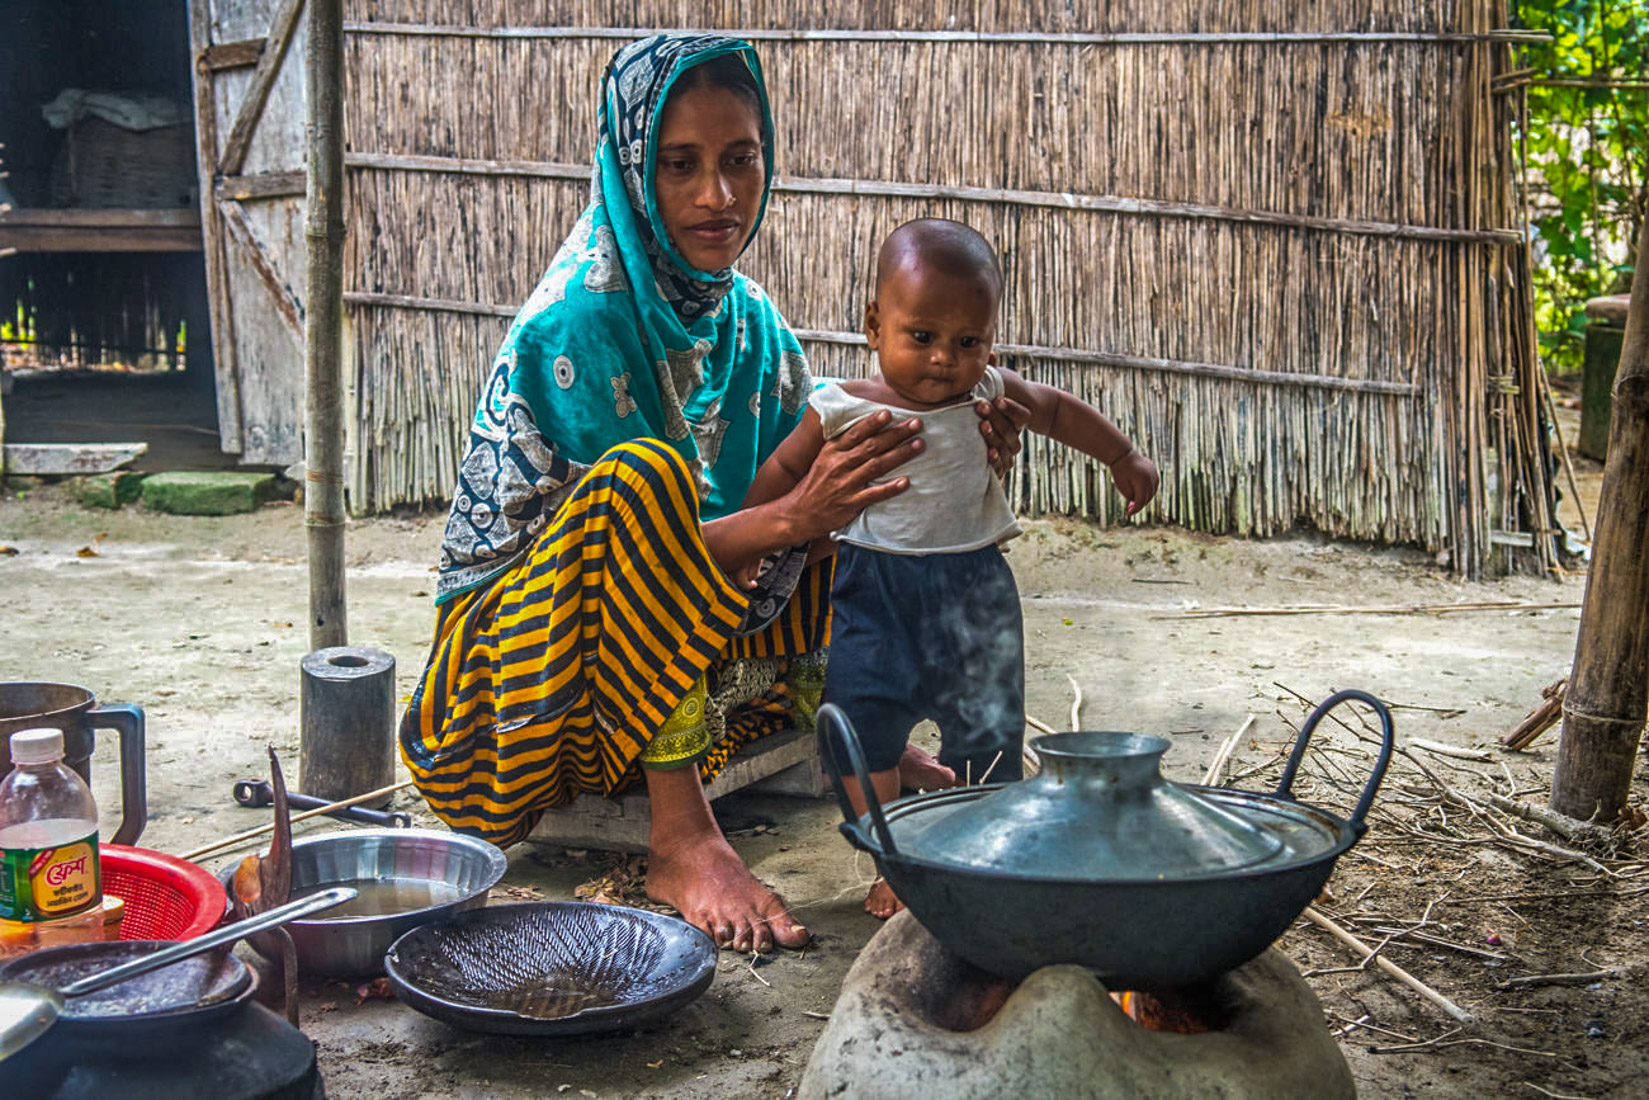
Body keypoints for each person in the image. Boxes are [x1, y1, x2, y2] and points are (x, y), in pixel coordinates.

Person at [397, 36, 1027, 954]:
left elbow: (798, 528)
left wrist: (946, 440)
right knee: (647, 481)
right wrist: (791, 517)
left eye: (740, 160)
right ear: (628, 168)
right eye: (679, 164)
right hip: (514, 702)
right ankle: (680, 833)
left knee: (838, 468)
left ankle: (850, 743)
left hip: (681, 677)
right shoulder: (582, 319)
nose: (717, 197)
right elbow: (638, 552)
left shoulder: (750, 322)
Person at [742, 218, 1160, 917]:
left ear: (990, 342)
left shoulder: (988, 393)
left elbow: (1058, 410)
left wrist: (1122, 456)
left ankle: (968, 857)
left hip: (975, 593)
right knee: (855, 727)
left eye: (967, 342)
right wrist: (753, 539)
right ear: (873, 325)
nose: (944, 358)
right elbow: (783, 469)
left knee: (987, 735)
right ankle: (894, 861)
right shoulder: (839, 407)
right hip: (872, 593)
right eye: (922, 336)